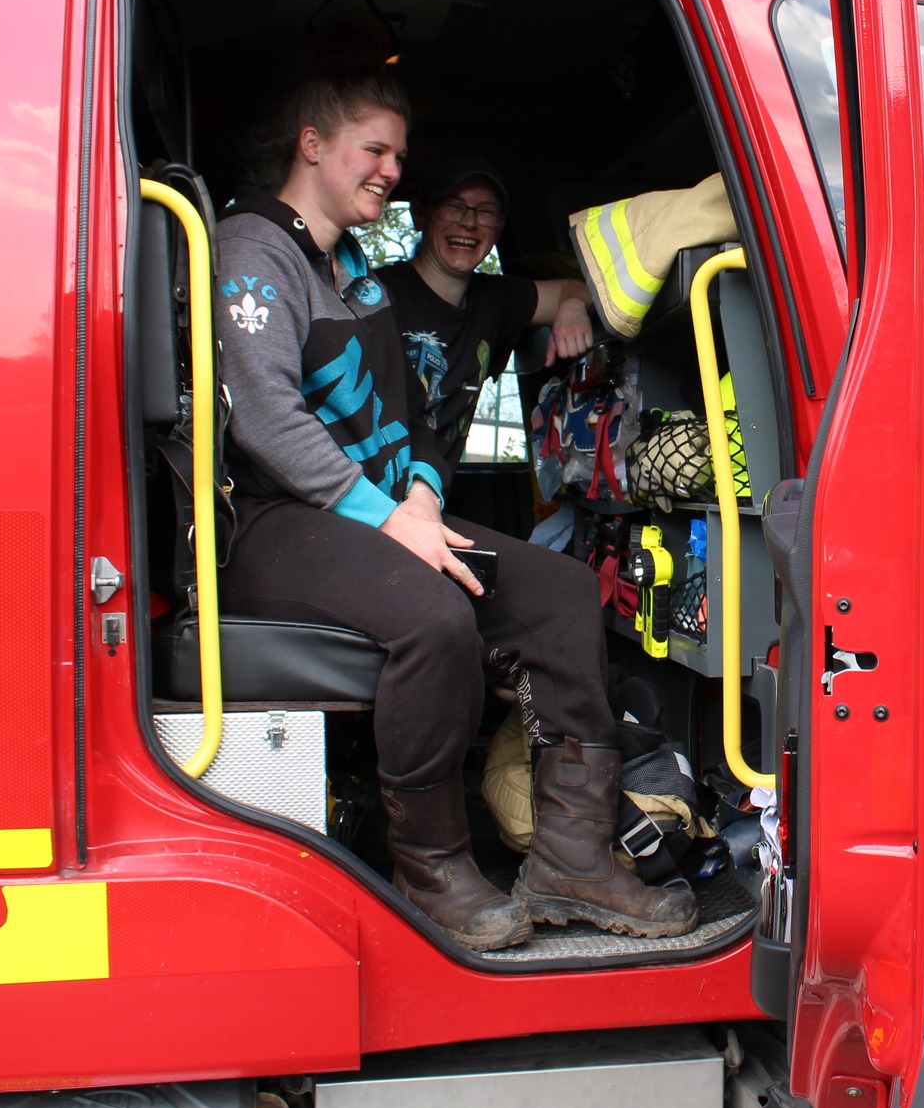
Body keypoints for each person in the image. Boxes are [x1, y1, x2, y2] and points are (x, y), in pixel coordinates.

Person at [211, 65, 697, 950]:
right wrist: (392, 516)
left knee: (556, 594)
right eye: (375, 149)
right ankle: (430, 862)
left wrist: (426, 489)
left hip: (387, 509)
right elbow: (265, 419)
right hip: (279, 526)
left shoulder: (351, 270)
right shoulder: (252, 248)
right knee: (435, 614)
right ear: (312, 147)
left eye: (399, 153)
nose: (392, 168)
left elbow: (414, 415)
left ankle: (575, 859)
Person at [372, 160, 592, 468]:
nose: (469, 223)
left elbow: (577, 288)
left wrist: (571, 307)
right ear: (420, 215)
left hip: (429, 496)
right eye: (454, 206)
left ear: (499, 226)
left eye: (485, 211)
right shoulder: (377, 295)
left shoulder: (496, 298)